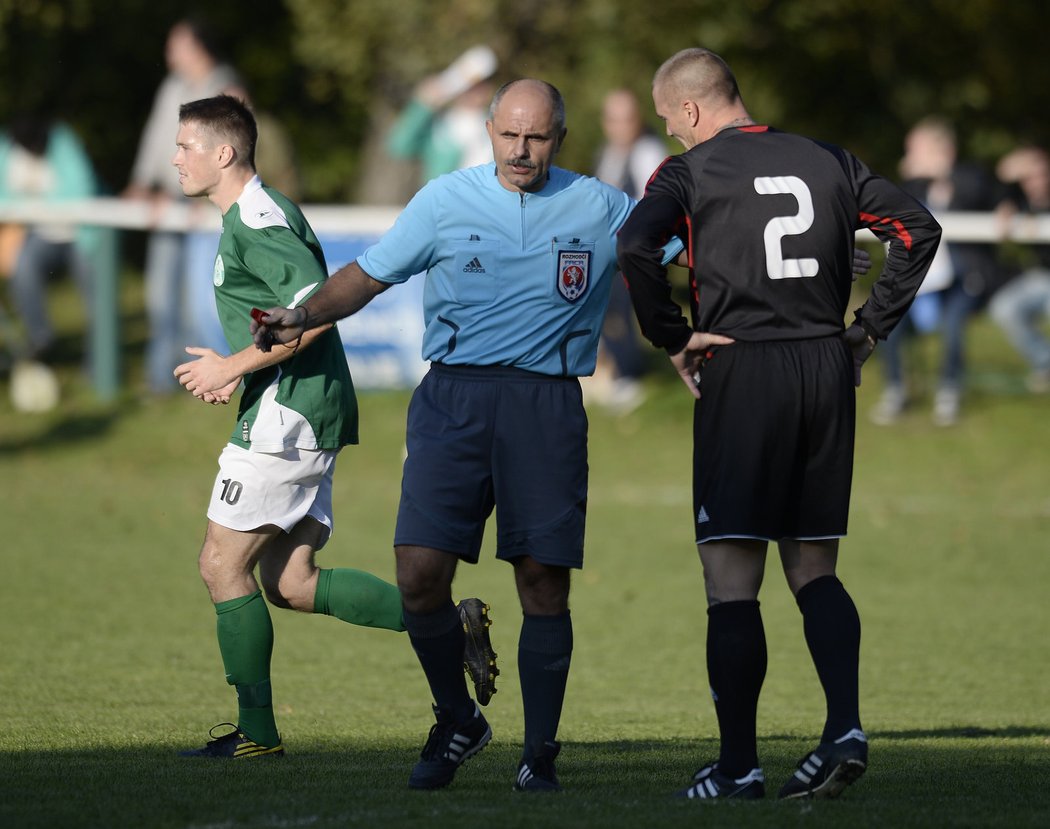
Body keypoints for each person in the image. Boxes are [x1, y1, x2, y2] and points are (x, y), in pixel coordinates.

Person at [251, 78, 663, 792]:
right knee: (418, 572)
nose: (521, 149)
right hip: (453, 400)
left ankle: (539, 754)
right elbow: (370, 275)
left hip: (546, 404)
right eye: (509, 134)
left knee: (542, 580)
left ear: (559, 138)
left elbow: (677, 249)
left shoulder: (600, 205)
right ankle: (456, 717)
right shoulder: (445, 199)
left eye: (536, 137)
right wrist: (303, 314)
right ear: (489, 128)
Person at [617, 48, 941, 801]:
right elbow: (915, 231)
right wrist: (867, 331)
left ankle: (738, 766)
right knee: (813, 567)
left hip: (745, 369)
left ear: (691, 110)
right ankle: (845, 728)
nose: (671, 135)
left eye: (670, 122)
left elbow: (635, 245)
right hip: (827, 369)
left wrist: (670, 333)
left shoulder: (688, 174)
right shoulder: (828, 158)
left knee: (731, 575)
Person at [169, 94, 496, 759]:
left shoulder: (258, 220)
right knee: (290, 582)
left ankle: (257, 734)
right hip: (302, 403)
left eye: (185, 146)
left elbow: (311, 312)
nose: (175, 158)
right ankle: (445, 628)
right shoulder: (254, 212)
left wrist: (232, 366)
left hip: (289, 410)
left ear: (223, 153)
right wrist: (235, 365)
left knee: (219, 563)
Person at [124, 17, 240, 395]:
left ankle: (204, 381)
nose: (169, 54)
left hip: (209, 209)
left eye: (176, 45)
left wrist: (207, 200)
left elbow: (235, 153)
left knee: (197, 301)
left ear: (196, 47)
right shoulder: (172, 86)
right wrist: (143, 185)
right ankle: (161, 381)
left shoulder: (226, 88)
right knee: (160, 297)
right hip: (171, 202)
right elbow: (157, 142)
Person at [870, 117, 1005, 426]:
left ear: (940, 150)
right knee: (885, 317)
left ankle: (949, 390)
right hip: (920, 281)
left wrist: (940, 174)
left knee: (954, 322)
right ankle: (896, 390)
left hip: (962, 280)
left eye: (916, 150)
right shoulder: (911, 188)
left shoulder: (970, 176)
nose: (910, 157)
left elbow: (982, 193)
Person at [589, 89, 669, 413]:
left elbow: (653, 204)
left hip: (634, 249)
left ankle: (630, 376)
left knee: (620, 310)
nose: (620, 127)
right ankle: (617, 372)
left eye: (626, 119)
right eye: (614, 119)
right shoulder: (605, 153)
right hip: (608, 248)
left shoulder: (647, 152)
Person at [0, 112, 99, 363]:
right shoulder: (6, 152)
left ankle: (99, 353)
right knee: (22, 270)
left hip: (81, 233)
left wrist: (29, 204)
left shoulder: (63, 141)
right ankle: (41, 341)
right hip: (40, 234)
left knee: (94, 294)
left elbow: (81, 189)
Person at [386, 45, 498, 186]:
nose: (474, 92)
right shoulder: (440, 127)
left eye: (481, 85)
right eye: (469, 86)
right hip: (444, 206)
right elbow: (399, 145)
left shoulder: (498, 126)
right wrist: (422, 105)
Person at [988, 144, 1050, 393]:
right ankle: (1045, 363)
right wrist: (1007, 205)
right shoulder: (1018, 199)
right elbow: (999, 179)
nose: (1036, 182)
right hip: (1039, 277)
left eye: (1041, 175)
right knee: (1004, 308)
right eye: (1028, 178)